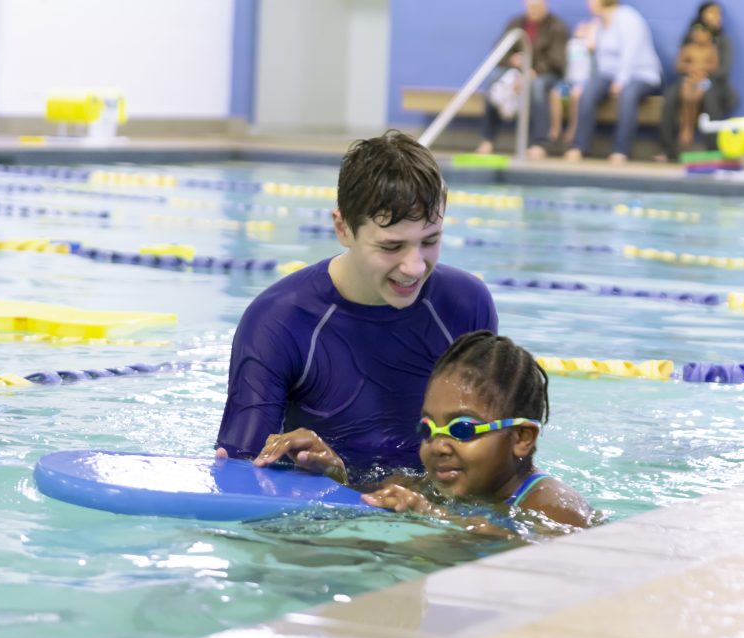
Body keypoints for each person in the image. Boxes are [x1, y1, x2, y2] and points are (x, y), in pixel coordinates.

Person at [215, 131, 498, 480]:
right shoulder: (280, 322)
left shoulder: (465, 306)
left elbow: (490, 454)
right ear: (343, 228)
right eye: (391, 247)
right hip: (326, 521)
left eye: (430, 241)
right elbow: (242, 476)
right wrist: (338, 481)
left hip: (431, 509)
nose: (415, 266)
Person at [356, 331, 595, 530]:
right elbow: (367, 494)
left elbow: (544, 554)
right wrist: (332, 470)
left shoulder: (557, 508)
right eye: (429, 429)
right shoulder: (435, 486)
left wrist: (435, 516)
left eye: (461, 429)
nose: (438, 445)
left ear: (521, 438)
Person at [563, 0, 662, 164]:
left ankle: (621, 150)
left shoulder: (627, 17)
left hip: (642, 74)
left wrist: (621, 81)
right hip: (609, 74)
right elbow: (600, 61)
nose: (588, 3)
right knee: (587, 93)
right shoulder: (599, 24)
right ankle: (579, 146)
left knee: (627, 95)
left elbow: (630, 52)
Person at [475, 0, 569, 160]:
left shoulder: (557, 26)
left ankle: (540, 143)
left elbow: (557, 61)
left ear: (545, 6)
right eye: (530, 7)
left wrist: (533, 71)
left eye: (537, 7)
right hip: (516, 72)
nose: (533, 10)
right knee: (493, 79)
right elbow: (499, 53)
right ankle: (488, 139)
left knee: (537, 86)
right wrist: (512, 60)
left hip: (546, 74)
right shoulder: (516, 23)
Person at [658, 1, 740, 161]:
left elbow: (722, 69)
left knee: (710, 97)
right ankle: (668, 149)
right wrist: (691, 72)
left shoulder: (723, 41)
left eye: (719, 14)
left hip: (713, 83)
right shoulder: (689, 38)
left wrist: (703, 74)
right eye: (712, 13)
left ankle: (712, 149)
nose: (717, 18)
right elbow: (680, 63)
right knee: (670, 95)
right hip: (688, 79)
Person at [547, 22, 594, 146]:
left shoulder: (589, 46)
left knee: (575, 95)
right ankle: (556, 127)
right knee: (555, 93)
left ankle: (573, 129)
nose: (581, 30)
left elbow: (592, 47)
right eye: (579, 28)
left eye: (585, 29)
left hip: (584, 81)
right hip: (569, 80)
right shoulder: (570, 44)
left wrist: (591, 32)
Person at [675, 23, 719, 147]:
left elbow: (714, 66)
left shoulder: (711, 50)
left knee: (696, 97)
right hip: (690, 78)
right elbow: (679, 65)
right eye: (697, 33)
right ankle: (685, 127)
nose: (700, 36)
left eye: (703, 33)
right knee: (686, 97)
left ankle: (691, 128)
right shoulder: (688, 49)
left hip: (703, 80)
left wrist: (701, 69)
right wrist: (691, 68)